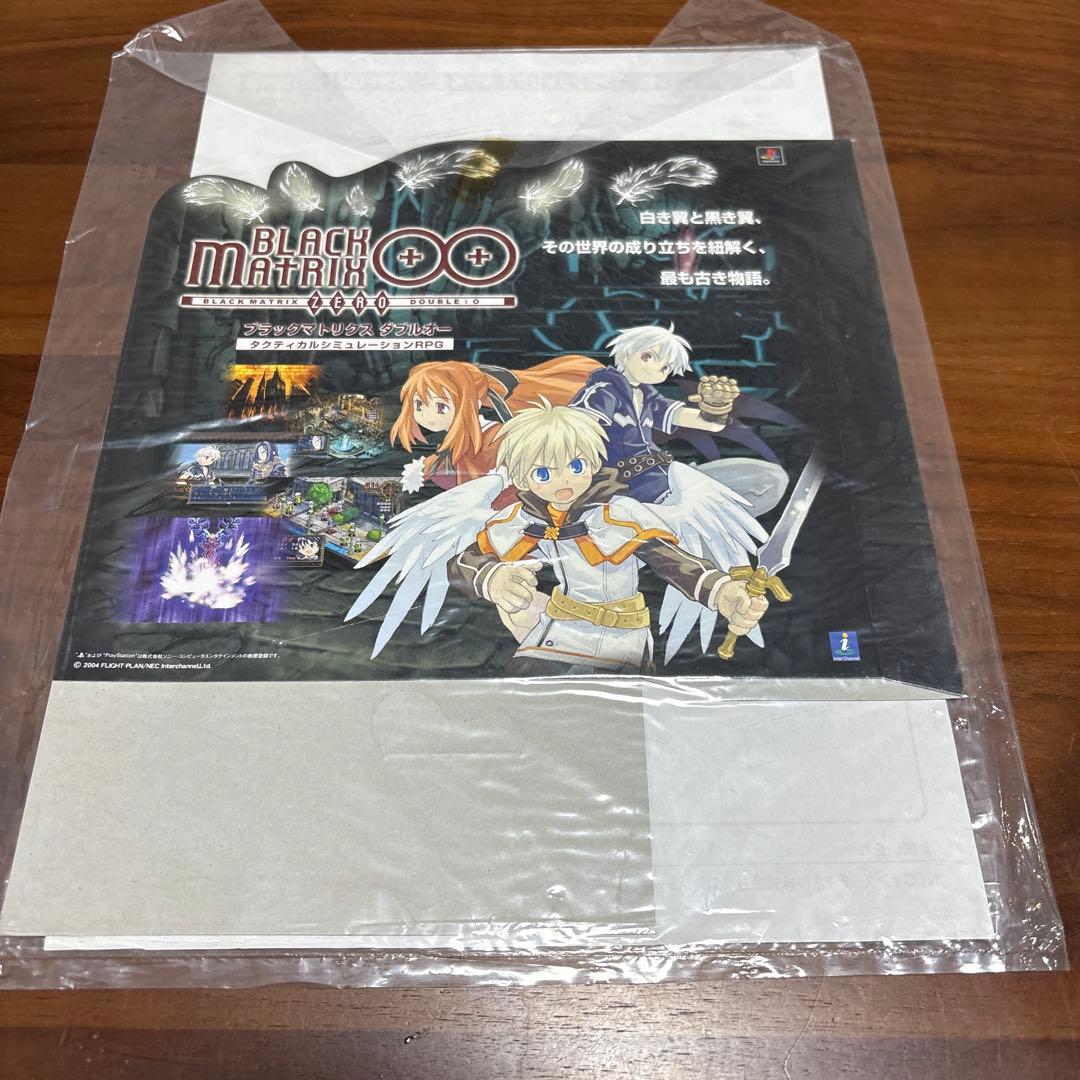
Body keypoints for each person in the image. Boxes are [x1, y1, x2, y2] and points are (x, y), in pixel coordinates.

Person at [570, 324, 787, 514]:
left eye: (666, 367)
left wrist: (715, 407)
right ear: (626, 355)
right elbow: (567, 435)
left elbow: (707, 423)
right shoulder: (602, 393)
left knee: (769, 479)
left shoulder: (647, 397)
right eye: (648, 356)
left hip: (664, 480)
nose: (656, 367)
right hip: (626, 494)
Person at [389, 356, 601, 493]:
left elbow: (519, 480)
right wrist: (421, 471)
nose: (427, 416)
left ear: (475, 403)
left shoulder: (496, 437)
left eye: (441, 407)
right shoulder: (460, 441)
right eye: (419, 405)